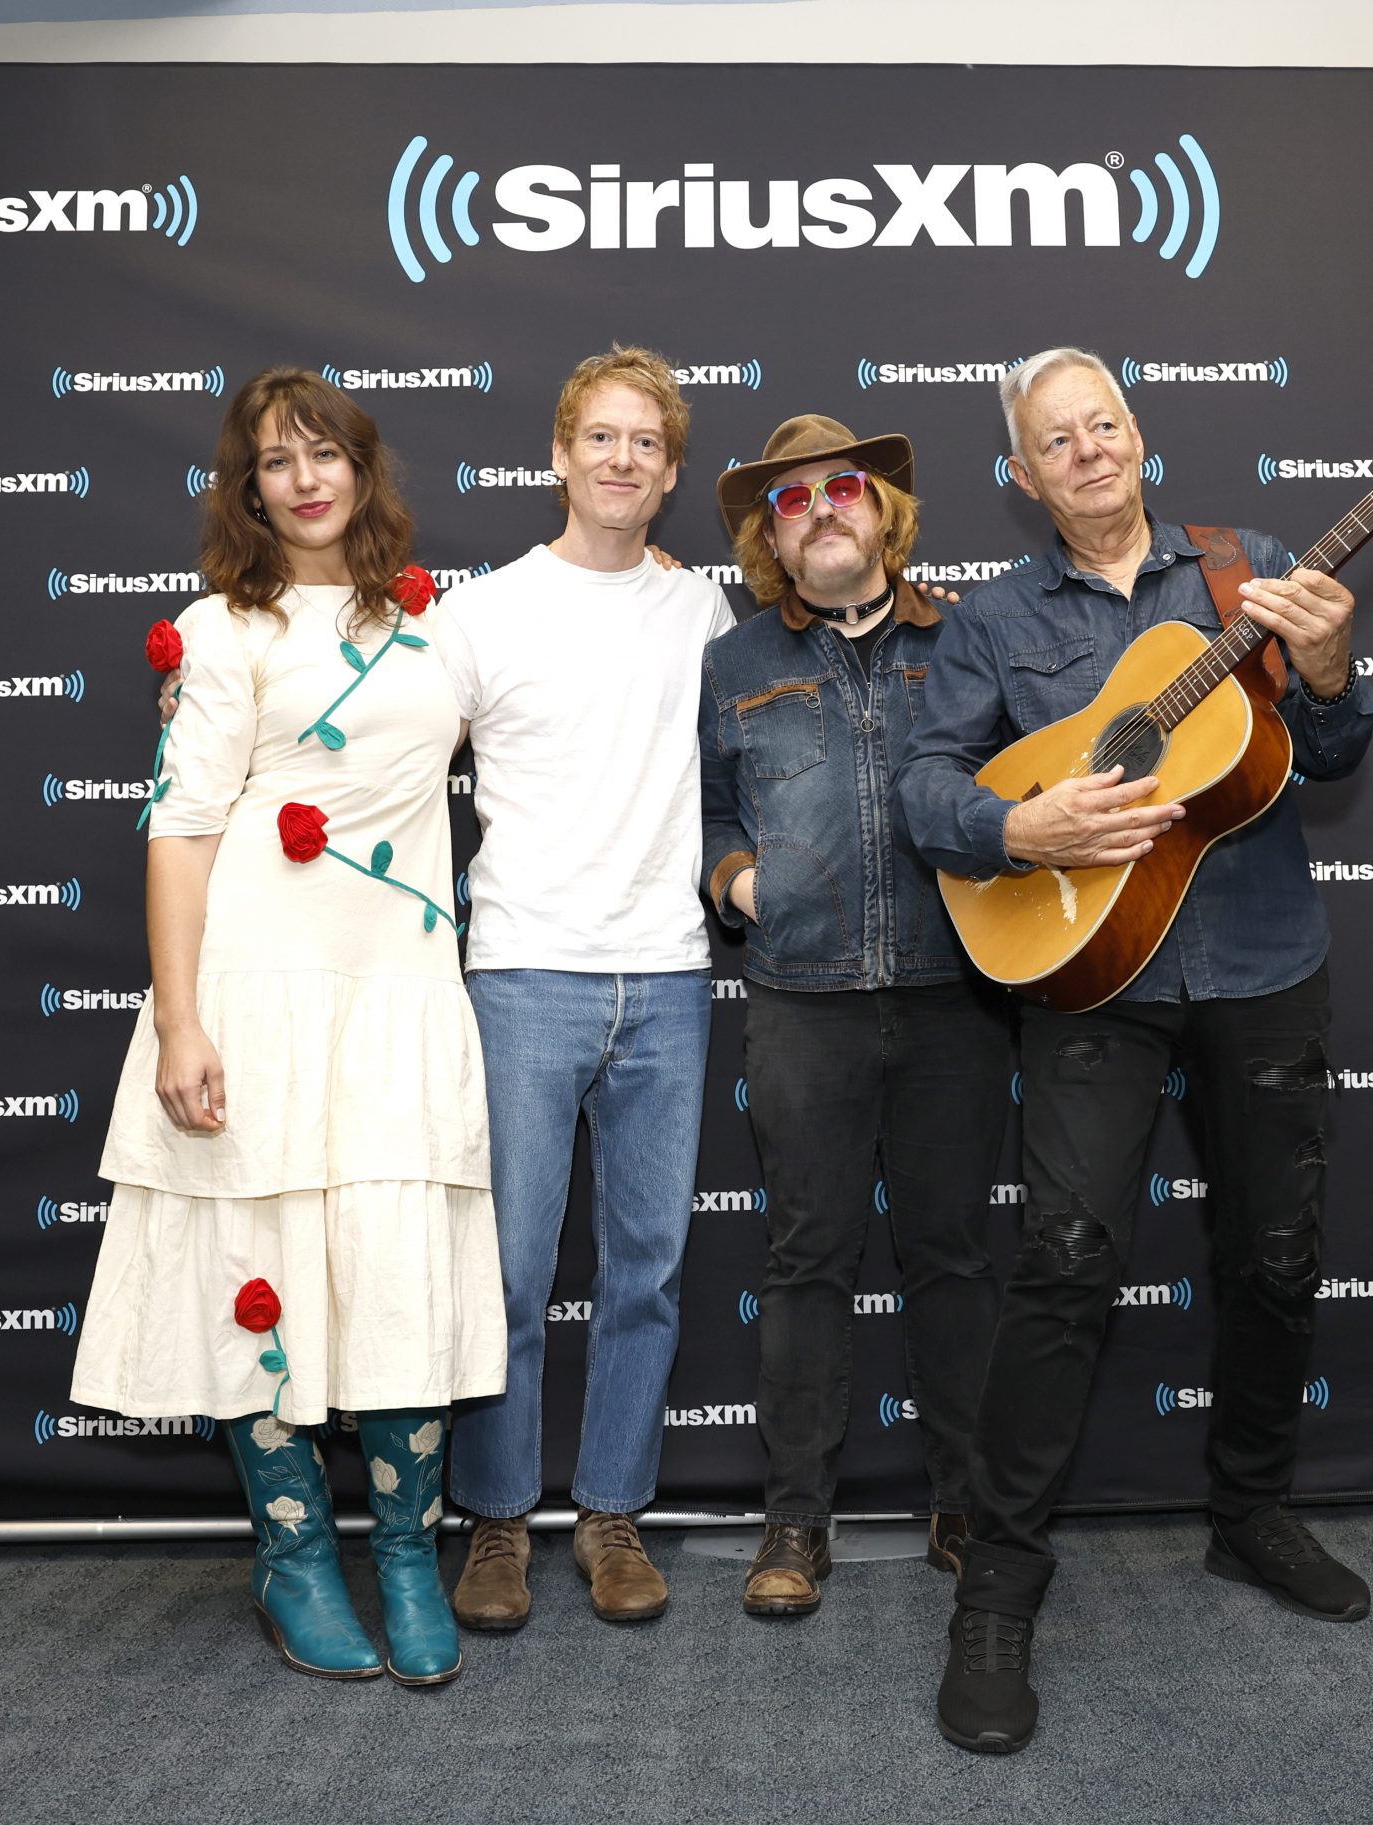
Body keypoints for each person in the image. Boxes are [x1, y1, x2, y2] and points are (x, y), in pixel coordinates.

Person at [897, 347, 1373, 1753]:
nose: (1089, 450)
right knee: (1061, 1264)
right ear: (1025, 474)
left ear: (1140, 434)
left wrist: (1337, 667)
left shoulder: (1248, 571)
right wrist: (1016, 830)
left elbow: (1334, 749)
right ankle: (998, 1586)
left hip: (1261, 956)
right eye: (1058, 439)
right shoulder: (992, 623)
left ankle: (1252, 1514)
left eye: (1104, 422)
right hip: (1090, 973)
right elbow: (931, 787)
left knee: (1275, 1254)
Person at [71, 368, 504, 1689]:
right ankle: (297, 1558)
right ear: (248, 487)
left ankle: (411, 1558)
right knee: (255, 1272)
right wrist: (180, 1022)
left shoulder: (446, 628)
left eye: (326, 453)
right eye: (277, 460)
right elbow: (182, 832)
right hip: (257, 992)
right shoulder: (221, 632)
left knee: (395, 1279)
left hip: (402, 999)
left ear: (365, 469)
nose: (305, 477)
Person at [425, 348, 735, 1628]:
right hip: (523, 974)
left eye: (645, 444)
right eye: (598, 439)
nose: (620, 460)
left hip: (668, 976)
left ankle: (612, 1514)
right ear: (558, 456)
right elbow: (379, 759)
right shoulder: (479, 612)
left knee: (647, 1268)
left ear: (669, 473)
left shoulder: (703, 612)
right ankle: (494, 1524)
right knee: (501, 1271)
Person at [698, 416, 1006, 1616]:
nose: (821, 508)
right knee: (805, 1263)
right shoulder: (731, 663)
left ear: (883, 509)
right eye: (791, 500)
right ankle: (794, 1522)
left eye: (844, 487)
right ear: (769, 537)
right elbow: (714, 813)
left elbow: (1023, 787)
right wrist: (740, 883)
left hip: (955, 995)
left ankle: (966, 1499)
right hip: (800, 1000)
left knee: (952, 1257)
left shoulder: (967, 636)